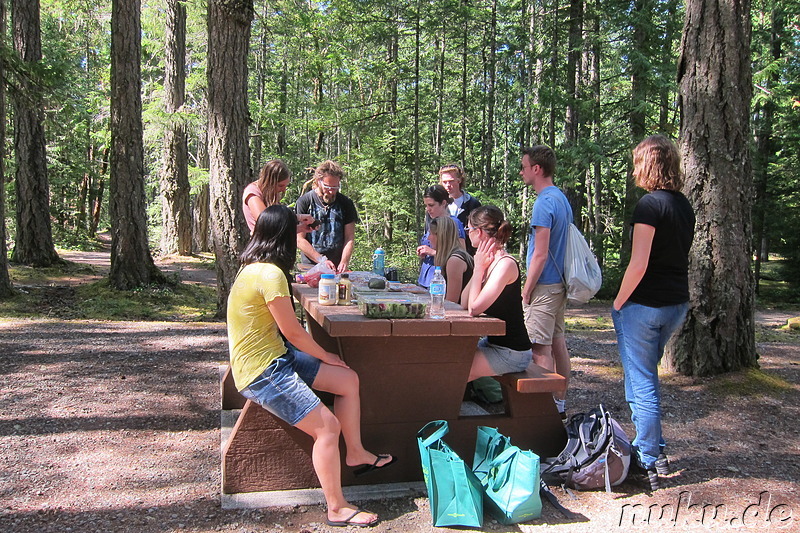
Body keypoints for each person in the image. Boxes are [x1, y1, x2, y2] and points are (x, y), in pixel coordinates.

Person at [227, 205, 394, 527]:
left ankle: (356, 452)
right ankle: (337, 507)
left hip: (276, 355)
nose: (300, 237)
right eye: (296, 232)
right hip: (263, 371)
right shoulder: (270, 274)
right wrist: (325, 355)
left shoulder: (254, 266)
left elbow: (286, 337)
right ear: (284, 237)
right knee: (328, 428)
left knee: (348, 381)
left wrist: (297, 221)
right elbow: (293, 332)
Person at [612, 135, 695, 491]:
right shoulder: (683, 205)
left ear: (647, 165)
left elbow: (639, 263)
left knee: (641, 384)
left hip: (645, 306)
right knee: (642, 378)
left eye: (636, 163)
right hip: (676, 302)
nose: (633, 171)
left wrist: (617, 302)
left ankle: (645, 460)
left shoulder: (649, 205)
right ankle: (656, 450)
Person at [519, 145, 572, 419]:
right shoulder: (561, 198)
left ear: (536, 169)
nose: (521, 172)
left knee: (539, 348)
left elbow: (540, 253)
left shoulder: (544, 202)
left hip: (545, 286)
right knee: (558, 342)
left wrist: (527, 290)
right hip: (559, 284)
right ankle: (559, 405)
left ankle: (543, 412)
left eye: (524, 167)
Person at [460, 205, 532, 381]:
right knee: (448, 360)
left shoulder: (504, 264)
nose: (467, 233)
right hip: (494, 344)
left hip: (513, 353)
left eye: (469, 229)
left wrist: (478, 270)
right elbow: (463, 302)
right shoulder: (488, 262)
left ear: (480, 232)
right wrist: (480, 268)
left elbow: (473, 309)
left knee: (454, 371)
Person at [295, 160, 359, 274]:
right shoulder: (305, 202)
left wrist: (344, 261)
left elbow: (349, 237)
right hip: (311, 267)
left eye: (335, 187)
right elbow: (299, 239)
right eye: (328, 187)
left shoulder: (346, 203)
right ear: (318, 181)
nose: (331, 191)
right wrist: (321, 260)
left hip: (336, 267)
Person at [242, 159, 314, 234]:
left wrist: (300, 228)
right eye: (280, 185)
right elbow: (266, 221)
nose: (283, 190)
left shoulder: (271, 194)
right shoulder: (253, 193)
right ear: (269, 182)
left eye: (286, 186)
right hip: (263, 244)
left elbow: (278, 227)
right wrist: (297, 217)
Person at [416, 185, 466, 288]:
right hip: (425, 278)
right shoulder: (431, 222)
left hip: (440, 281)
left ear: (443, 203)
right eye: (426, 206)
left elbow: (461, 253)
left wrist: (432, 252)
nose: (428, 209)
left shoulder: (454, 223)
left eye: (431, 205)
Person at [428, 215, 473, 303]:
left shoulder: (455, 260)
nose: (428, 238)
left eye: (431, 234)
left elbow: (451, 302)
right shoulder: (447, 257)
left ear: (440, 236)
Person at [438, 164, 481, 254]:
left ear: (459, 180)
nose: (447, 185)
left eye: (451, 181)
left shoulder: (472, 204)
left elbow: (479, 233)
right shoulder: (437, 204)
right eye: (444, 182)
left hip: (467, 255)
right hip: (441, 255)